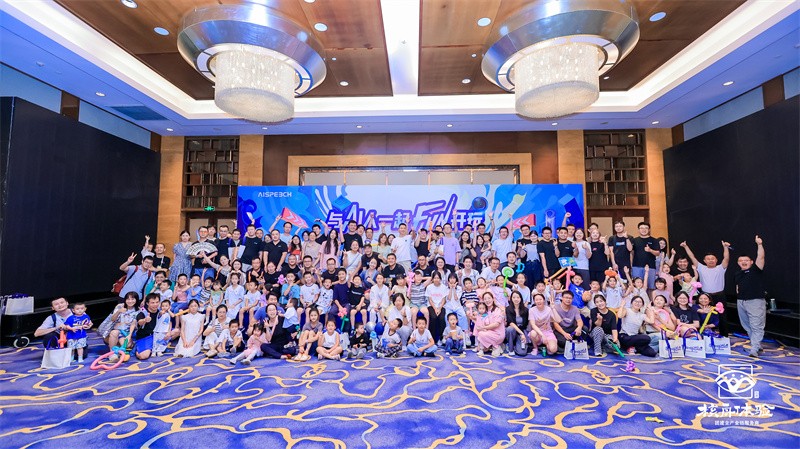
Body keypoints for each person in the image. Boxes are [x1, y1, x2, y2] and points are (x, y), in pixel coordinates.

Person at [683, 240, 731, 335]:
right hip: (705, 297)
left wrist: (725, 247)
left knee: (722, 316)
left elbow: (726, 258)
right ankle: (701, 335)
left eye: (712, 258)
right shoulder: (701, 268)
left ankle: (724, 336)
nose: (710, 260)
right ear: (704, 261)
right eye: (708, 259)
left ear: (716, 260)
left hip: (719, 296)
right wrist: (685, 246)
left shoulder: (720, 268)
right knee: (703, 315)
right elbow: (692, 257)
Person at [734, 235, 766, 357]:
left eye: (746, 260)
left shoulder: (756, 270)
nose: (743, 262)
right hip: (741, 302)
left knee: (756, 325)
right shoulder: (737, 274)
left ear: (751, 262)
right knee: (746, 325)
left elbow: (761, 257)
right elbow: (737, 287)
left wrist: (759, 244)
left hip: (755, 301)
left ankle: (754, 349)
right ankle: (756, 344)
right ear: (738, 263)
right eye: (741, 260)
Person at [105, 293, 139, 358]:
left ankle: (119, 348)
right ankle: (112, 353)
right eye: (128, 299)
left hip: (128, 333)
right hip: (118, 331)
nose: (130, 301)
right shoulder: (120, 306)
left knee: (125, 344)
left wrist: (129, 336)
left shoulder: (138, 310)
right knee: (114, 333)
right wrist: (119, 311)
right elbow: (112, 319)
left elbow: (134, 324)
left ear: (136, 300)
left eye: (132, 299)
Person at [133, 293, 161, 360]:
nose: (155, 304)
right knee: (143, 356)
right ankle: (137, 348)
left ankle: (153, 347)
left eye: (157, 302)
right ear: (147, 303)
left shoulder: (160, 312)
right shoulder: (143, 313)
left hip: (157, 335)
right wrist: (145, 320)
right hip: (145, 337)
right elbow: (140, 322)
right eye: (152, 303)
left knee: (176, 331)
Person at [631, 222, 660, 289]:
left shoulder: (654, 240)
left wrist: (650, 250)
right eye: (641, 228)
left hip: (650, 267)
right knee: (637, 287)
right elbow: (631, 253)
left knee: (650, 287)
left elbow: (658, 253)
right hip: (637, 267)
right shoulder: (634, 240)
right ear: (638, 230)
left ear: (649, 229)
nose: (644, 230)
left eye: (646, 228)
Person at [425, 272, 448, 342]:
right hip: (432, 306)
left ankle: (442, 338)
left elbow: (444, 299)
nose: (436, 279)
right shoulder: (429, 287)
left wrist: (439, 308)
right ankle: (432, 338)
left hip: (441, 306)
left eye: (438, 278)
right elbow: (430, 300)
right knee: (433, 317)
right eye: (435, 278)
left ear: (440, 279)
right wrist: (435, 308)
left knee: (441, 318)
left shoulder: (444, 287)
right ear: (432, 279)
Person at [505, 290, 529, 355]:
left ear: (521, 299)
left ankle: (516, 345)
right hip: (513, 332)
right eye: (514, 297)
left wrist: (524, 334)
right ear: (511, 299)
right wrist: (521, 333)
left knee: (522, 353)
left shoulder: (526, 310)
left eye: (518, 297)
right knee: (510, 329)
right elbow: (511, 323)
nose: (516, 299)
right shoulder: (508, 309)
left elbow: (527, 324)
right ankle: (510, 348)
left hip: (522, 331)